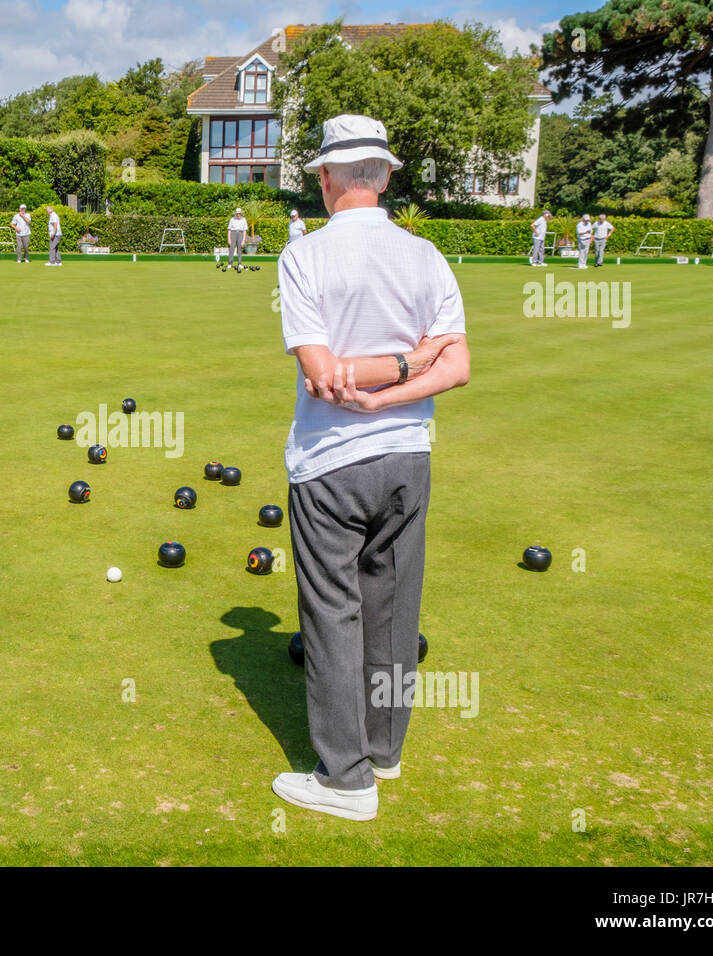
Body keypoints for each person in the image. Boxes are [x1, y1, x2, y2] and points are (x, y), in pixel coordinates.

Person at [272, 113, 470, 822]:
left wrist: (362, 392)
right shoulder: (428, 256)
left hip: (328, 461)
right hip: (408, 459)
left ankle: (347, 781)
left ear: (326, 180)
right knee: (391, 610)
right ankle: (384, 749)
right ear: (384, 176)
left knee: (333, 614)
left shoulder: (303, 256)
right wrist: (411, 366)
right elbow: (453, 365)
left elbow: (325, 375)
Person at [225, 206, 248, 271]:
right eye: (237, 213)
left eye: (239, 213)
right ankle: (230, 263)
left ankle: (239, 264)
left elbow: (244, 231)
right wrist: (229, 239)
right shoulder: (232, 219)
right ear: (236, 213)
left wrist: (243, 240)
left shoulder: (244, 219)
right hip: (233, 233)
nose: (238, 214)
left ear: (241, 213)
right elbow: (229, 230)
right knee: (231, 249)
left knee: (239, 249)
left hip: (240, 234)